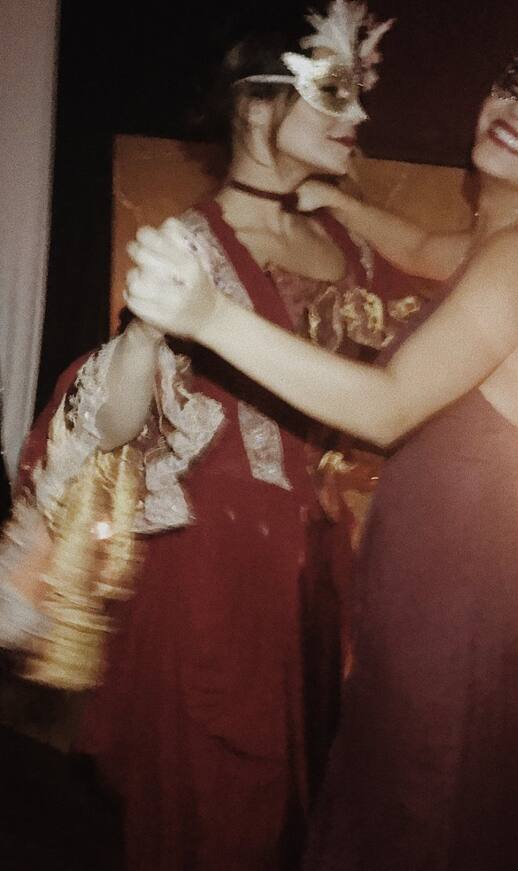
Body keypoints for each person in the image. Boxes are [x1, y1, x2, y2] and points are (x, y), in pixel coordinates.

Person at [126, 36, 518, 871]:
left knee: (415, 826)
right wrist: (336, 198)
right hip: (430, 591)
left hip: (459, 609)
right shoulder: (501, 241)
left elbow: (390, 405)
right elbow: (423, 250)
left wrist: (209, 315)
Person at [0, 2, 421, 868]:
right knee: (218, 823)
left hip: (318, 574)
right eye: (335, 92)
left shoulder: (346, 240)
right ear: (256, 104)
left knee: (299, 818)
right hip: (213, 587)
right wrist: (144, 335)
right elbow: (114, 422)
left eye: (361, 91)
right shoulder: (190, 245)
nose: (359, 114)